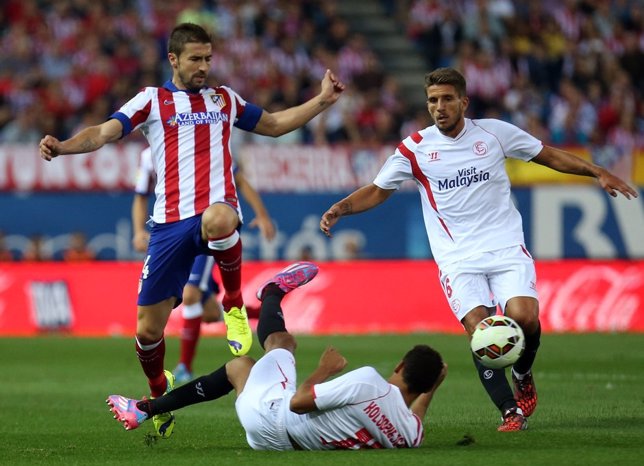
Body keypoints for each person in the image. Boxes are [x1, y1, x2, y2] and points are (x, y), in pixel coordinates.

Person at [39, 22, 345, 439]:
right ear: (174, 59)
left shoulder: (224, 99)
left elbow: (273, 124)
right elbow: (102, 133)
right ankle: (157, 394)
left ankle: (234, 304)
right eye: (196, 59)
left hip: (215, 212)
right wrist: (63, 146)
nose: (204, 66)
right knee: (147, 331)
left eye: (208, 58)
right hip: (168, 227)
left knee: (221, 219)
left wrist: (322, 101)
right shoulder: (151, 101)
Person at [320, 67, 638, 432]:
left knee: (526, 318)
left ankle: (522, 371)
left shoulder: (495, 133)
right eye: (432, 101)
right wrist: (341, 207)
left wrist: (597, 171)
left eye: (446, 99)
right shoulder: (415, 149)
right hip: (457, 259)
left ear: (463, 102)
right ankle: (509, 411)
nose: (439, 107)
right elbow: (378, 189)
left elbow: (545, 155)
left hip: (504, 247)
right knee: (482, 330)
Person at [107, 262, 448, 450]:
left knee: (283, 343)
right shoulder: (408, 435)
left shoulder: (370, 382)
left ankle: (271, 293)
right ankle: (149, 409)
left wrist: (323, 371)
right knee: (241, 368)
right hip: (271, 443)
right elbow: (415, 414)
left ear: (400, 366)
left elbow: (299, 402)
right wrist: (432, 387)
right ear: (426, 387)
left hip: (275, 416)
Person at [132, 146, 276, 383]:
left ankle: (184, 366)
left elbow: (239, 179)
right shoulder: (148, 155)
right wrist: (138, 230)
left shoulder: (202, 138)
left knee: (190, 295)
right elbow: (140, 196)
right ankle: (261, 312)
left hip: (203, 228)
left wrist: (262, 214)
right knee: (207, 313)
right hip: (172, 232)